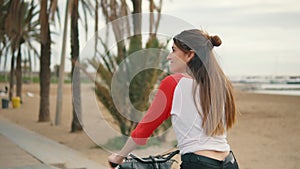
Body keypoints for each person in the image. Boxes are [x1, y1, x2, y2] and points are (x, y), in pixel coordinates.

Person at [108, 29, 239, 169]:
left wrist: (119, 157)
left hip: (199, 164)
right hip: (229, 162)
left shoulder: (174, 84)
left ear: (189, 55)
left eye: (173, 50)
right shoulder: (220, 84)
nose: (168, 57)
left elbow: (145, 128)